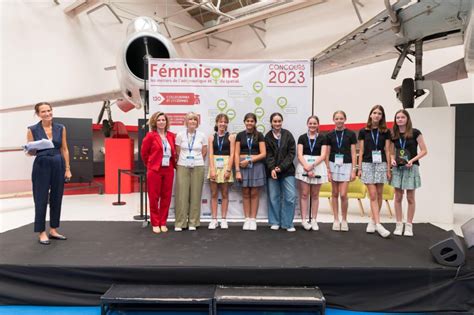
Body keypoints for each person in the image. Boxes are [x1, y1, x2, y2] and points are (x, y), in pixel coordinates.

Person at [27, 102, 72, 245]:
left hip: (58, 163)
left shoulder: (61, 128)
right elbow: (30, 152)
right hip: (42, 164)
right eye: (43, 111)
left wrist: (67, 168)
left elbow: (64, 149)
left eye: (49, 110)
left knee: (56, 197)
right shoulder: (32, 129)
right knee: (40, 198)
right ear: (38, 114)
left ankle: (53, 229)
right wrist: (31, 149)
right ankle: (41, 232)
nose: (47, 113)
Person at [390, 109, 427, 237]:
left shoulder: (415, 132)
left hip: (411, 167)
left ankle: (409, 225)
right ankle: (399, 224)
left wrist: (411, 160)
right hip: (398, 168)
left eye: (402, 117)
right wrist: (392, 159)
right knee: (398, 197)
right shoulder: (393, 134)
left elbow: (424, 150)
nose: (399, 119)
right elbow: (390, 152)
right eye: (397, 117)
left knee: (410, 198)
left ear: (407, 119)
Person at [357, 105, 391, 238]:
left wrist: (388, 168)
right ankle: (379, 224)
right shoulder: (363, 131)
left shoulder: (386, 132)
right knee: (372, 195)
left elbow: (387, 150)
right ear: (370, 115)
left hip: (381, 163)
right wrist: (359, 168)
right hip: (367, 164)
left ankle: (372, 220)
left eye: (379, 113)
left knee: (379, 193)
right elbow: (362, 150)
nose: (376, 115)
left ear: (382, 117)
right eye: (374, 113)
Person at [141, 112, 176, 234]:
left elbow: (174, 152)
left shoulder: (171, 136)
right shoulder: (150, 136)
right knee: (154, 197)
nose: (161, 122)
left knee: (166, 197)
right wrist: (151, 165)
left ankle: (163, 222)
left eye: (163, 120)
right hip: (155, 170)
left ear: (166, 122)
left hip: (169, 170)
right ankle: (155, 222)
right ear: (155, 122)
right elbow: (144, 154)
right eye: (159, 120)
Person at [175, 112, 207, 231]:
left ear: (197, 122)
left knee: (195, 194)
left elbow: (204, 151)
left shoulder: (202, 135)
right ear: (186, 122)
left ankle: (193, 222)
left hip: (198, 165)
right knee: (181, 195)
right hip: (183, 165)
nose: (192, 121)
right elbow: (178, 151)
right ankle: (180, 222)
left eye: (195, 120)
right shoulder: (180, 135)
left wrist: (196, 160)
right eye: (190, 119)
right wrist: (186, 160)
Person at [326, 110, 357, 232]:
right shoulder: (329, 135)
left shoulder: (350, 134)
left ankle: (344, 219)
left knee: (343, 194)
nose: (339, 120)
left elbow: (354, 153)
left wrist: (354, 169)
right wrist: (328, 169)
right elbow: (327, 153)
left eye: (341, 118)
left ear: (345, 119)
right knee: (334, 193)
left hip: (346, 165)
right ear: (333, 120)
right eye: (337, 118)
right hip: (333, 165)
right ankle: (336, 219)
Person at [265, 113, 297, 232]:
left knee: (290, 197)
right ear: (271, 122)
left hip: (287, 171)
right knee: (274, 197)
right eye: (275, 121)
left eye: (279, 121)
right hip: (272, 172)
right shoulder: (267, 137)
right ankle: (275, 221)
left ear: (282, 122)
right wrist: (273, 168)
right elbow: (268, 155)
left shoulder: (288, 135)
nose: (277, 123)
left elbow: (291, 153)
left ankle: (288, 223)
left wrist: (281, 167)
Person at [295, 115, 328, 231]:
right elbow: (299, 154)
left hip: (317, 166)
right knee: (304, 194)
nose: (312, 125)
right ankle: (304, 220)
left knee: (315, 195)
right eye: (310, 123)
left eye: (315, 123)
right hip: (304, 167)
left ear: (318, 124)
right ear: (307, 124)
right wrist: (306, 167)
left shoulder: (323, 138)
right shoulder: (302, 137)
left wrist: (312, 166)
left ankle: (314, 219)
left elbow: (323, 155)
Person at [235, 113, 266, 231]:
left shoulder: (260, 135)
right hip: (242, 166)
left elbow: (263, 153)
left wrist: (250, 160)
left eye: (252, 121)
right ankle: (246, 219)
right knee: (245, 193)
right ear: (244, 122)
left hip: (256, 165)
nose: (249, 123)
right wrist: (237, 170)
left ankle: (253, 219)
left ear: (255, 123)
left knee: (254, 193)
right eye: (247, 121)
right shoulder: (239, 135)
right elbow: (236, 153)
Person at [207, 114, 235, 230]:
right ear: (216, 122)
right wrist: (212, 169)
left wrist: (228, 169)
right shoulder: (211, 137)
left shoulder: (231, 137)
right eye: (220, 121)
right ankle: (214, 220)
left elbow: (232, 154)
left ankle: (223, 219)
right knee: (213, 194)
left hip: (226, 165)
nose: (222, 124)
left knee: (224, 194)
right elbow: (210, 154)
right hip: (214, 165)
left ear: (227, 124)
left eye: (225, 122)